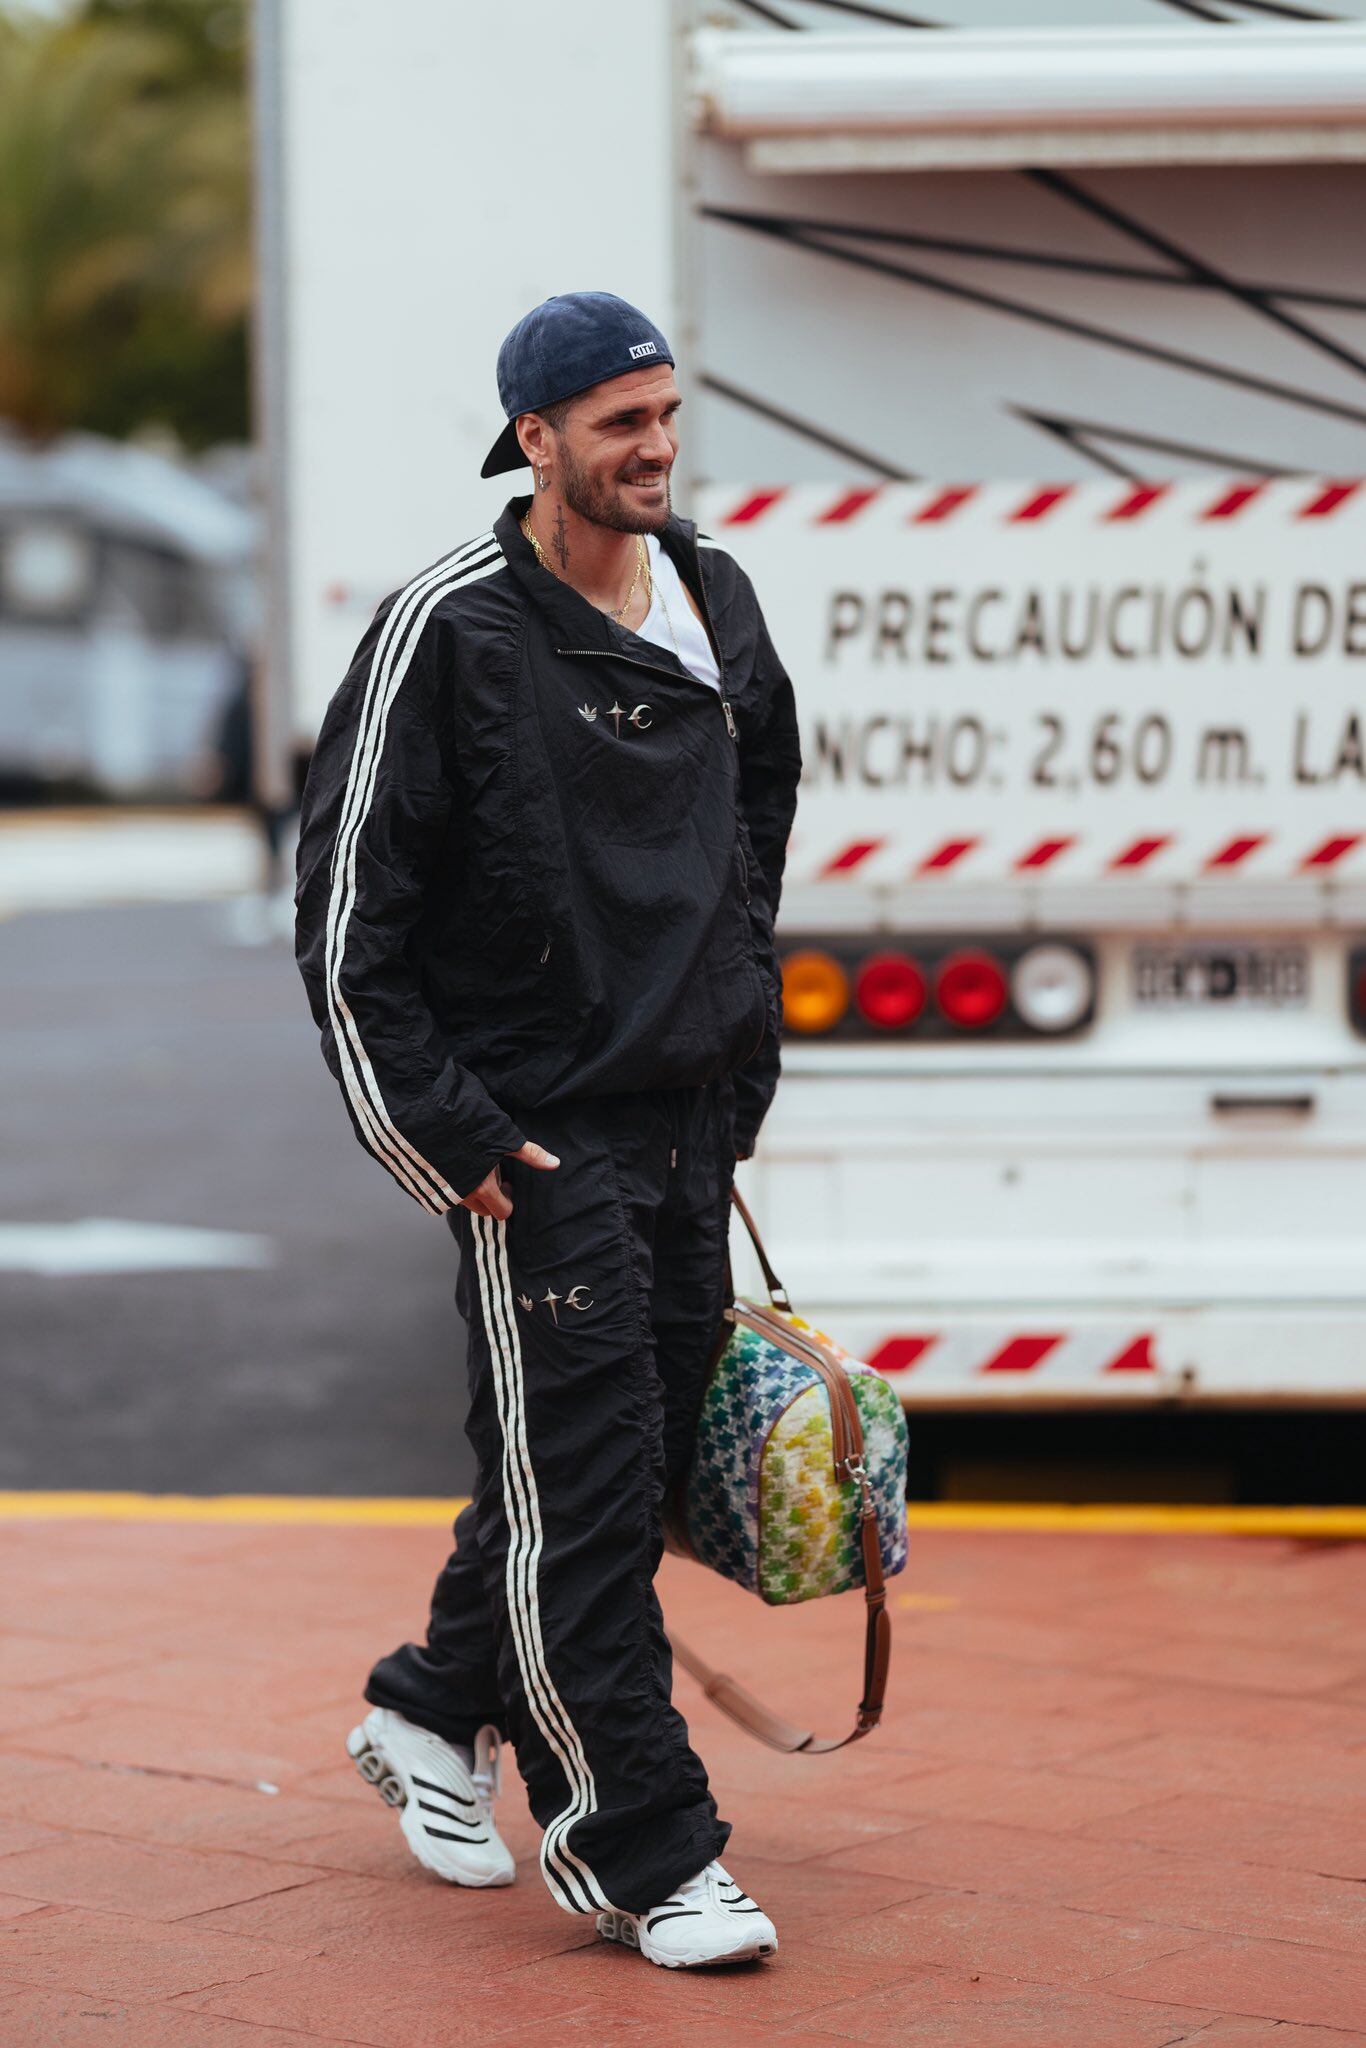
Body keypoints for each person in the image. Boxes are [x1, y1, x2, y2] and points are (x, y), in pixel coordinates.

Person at [294, 291, 801, 1970]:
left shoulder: (713, 594)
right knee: (584, 1500)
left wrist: (738, 1058)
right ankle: (645, 1849)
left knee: (616, 1471)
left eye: (665, 415)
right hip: (534, 1144)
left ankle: (431, 1707)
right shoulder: (446, 627)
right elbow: (348, 921)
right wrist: (451, 1138)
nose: (655, 447)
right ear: (536, 440)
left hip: (684, 1123)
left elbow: (757, 820)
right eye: (618, 423)